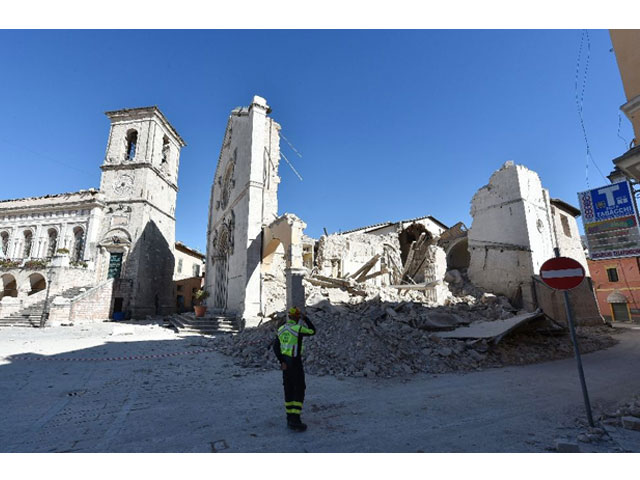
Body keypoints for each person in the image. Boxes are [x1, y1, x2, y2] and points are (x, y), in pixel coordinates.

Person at [272, 306, 316, 431]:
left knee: (288, 389)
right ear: (297, 318)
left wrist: (281, 361)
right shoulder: (298, 329)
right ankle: (295, 420)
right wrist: (305, 318)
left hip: (285, 363)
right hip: (295, 363)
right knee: (299, 388)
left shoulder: (281, 329)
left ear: (289, 317)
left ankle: (289, 417)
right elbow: (313, 331)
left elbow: (276, 347)